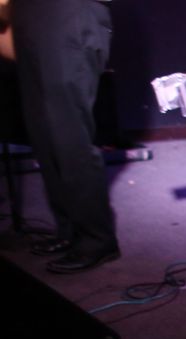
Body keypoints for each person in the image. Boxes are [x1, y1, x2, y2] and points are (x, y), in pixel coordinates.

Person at [12, 0, 120, 273]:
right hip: (29, 12)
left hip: (67, 11)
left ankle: (97, 239)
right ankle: (69, 230)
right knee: (43, 134)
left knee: (68, 134)